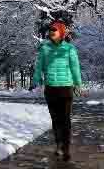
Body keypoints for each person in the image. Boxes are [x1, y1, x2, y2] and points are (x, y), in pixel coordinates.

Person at [31, 19, 83, 161]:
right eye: (50, 30)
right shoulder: (45, 48)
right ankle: (59, 144)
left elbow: (75, 67)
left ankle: (65, 147)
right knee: (55, 119)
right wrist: (36, 80)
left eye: (54, 30)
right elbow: (39, 66)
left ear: (61, 32)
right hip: (51, 88)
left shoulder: (69, 49)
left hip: (66, 88)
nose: (51, 32)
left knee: (65, 119)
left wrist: (78, 84)